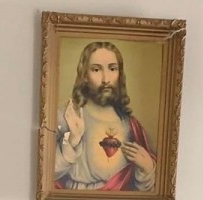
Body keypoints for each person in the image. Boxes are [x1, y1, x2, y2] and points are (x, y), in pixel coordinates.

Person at [54, 41, 156, 191]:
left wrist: (147, 169)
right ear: (84, 76)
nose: (106, 79)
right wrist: (73, 140)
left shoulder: (130, 125)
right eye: (96, 69)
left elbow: (145, 190)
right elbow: (47, 172)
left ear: (119, 74)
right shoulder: (67, 117)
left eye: (112, 69)